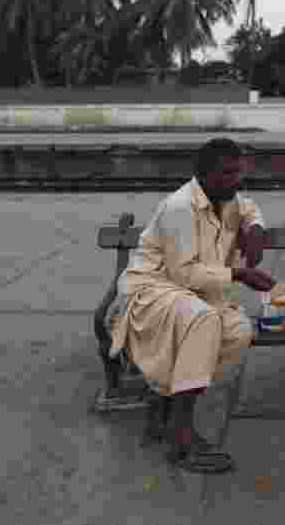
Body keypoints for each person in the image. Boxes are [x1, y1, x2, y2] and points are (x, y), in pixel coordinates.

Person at [109, 138, 275, 473]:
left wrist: (256, 229)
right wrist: (240, 274)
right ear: (204, 175)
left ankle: (166, 404)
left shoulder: (227, 199)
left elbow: (249, 207)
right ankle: (181, 433)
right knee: (204, 321)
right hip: (152, 291)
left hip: (191, 296)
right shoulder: (180, 206)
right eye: (226, 173)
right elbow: (184, 274)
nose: (234, 180)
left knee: (238, 331)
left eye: (237, 172)